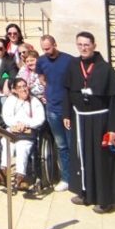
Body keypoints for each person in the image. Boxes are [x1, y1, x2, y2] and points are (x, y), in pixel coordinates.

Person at [64, 31, 115, 213]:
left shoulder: (105, 69)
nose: (83, 48)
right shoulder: (73, 65)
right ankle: (85, 193)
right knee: (81, 157)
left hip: (100, 121)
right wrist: (66, 114)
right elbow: (68, 91)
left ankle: (105, 199)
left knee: (102, 160)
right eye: (80, 45)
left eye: (86, 44)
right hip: (80, 119)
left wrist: (114, 129)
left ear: (94, 45)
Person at [0, 78, 45, 190]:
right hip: (12, 130)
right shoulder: (11, 100)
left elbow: (40, 118)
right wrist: (15, 124)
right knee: (7, 143)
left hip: (27, 133)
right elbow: (6, 117)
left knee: (22, 147)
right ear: (15, 90)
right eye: (20, 87)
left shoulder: (34, 101)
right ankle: (2, 172)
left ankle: (20, 178)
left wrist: (26, 124)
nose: (23, 89)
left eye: (24, 86)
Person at [37, 34, 74, 192]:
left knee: (73, 144)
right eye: (44, 49)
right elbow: (41, 78)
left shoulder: (69, 60)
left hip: (68, 108)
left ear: (55, 44)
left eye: (49, 48)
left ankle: (77, 177)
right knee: (61, 145)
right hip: (52, 108)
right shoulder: (41, 60)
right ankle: (66, 178)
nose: (46, 51)